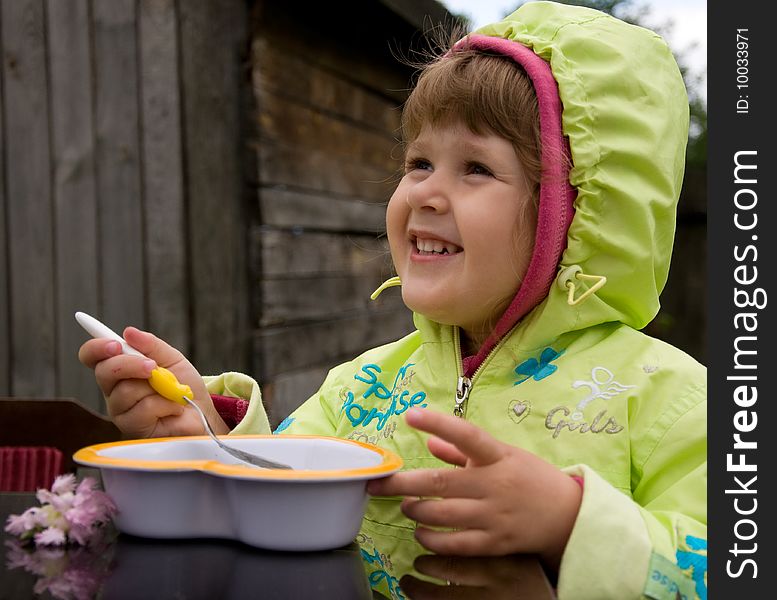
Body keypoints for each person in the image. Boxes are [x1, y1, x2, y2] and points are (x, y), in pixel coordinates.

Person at [78, 2, 707, 598]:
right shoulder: (359, 388)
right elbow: (282, 499)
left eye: (477, 168)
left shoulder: (668, 400)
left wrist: (573, 524)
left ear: (575, 217)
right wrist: (205, 434)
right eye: (419, 162)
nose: (426, 194)